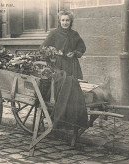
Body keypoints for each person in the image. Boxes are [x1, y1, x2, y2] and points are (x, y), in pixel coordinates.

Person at [40, 10, 88, 141]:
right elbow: (43, 48)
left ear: (71, 21)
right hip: (57, 66)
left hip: (71, 65)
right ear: (59, 21)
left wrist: (75, 53)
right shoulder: (54, 34)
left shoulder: (74, 34)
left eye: (67, 20)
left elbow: (82, 48)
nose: (65, 22)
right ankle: (57, 117)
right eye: (63, 20)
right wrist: (54, 52)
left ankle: (69, 120)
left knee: (72, 90)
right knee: (60, 90)